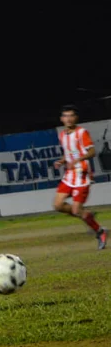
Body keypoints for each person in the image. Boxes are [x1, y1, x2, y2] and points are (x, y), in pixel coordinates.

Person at [53, 105, 107, 249]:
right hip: (69, 176)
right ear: (61, 119)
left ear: (76, 118)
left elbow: (92, 152)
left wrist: (78, 160)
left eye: (71, 115)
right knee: (58, 205)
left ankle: (99, 231)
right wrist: (62, 161)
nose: (68, 119)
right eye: (66, 116)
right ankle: (87, 215)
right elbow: (69, 152)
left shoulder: (82, 133)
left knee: (77, 211)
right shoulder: (62, 135)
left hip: (81, 176)